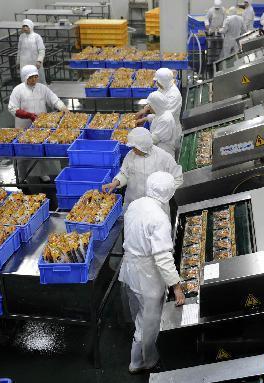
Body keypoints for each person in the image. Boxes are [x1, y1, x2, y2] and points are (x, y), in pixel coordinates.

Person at [119, 171, 186, 374]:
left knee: (138, 313)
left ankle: (141, 357)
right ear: (168, 194)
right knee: (148, 322)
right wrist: (176, 287)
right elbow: (163, 257)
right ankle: (143, 362)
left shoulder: (135, 204)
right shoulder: (159, 218)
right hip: (146, 275)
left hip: (130, 267)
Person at [8, 65, 69, 183]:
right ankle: (22, 176)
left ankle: (43, 173)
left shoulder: (42, 88)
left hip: (41, 125)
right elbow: (12, 108)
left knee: (41, 152)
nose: (34, 80)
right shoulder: (18, 90)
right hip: (23, 125)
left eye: (36, 77)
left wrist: (62, 107)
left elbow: (53, 99)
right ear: (25, 77)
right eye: (31, 78)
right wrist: (28, 115)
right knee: (23, 153)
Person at [101, 127, 183, 215]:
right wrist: (116, 183)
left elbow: (178, 178)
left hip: (157, 208)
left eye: (135, 147)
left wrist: (164, 191)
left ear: (143, 146)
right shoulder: (130, 156)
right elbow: (125, 174)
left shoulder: (164, 157)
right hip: (134, 203)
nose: (133, 150)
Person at [146, 91, 179, 157]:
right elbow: (156, 117)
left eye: (150, 106)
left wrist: (138, 140)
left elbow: (154, 139)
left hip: (164, 153)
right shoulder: (163, 111)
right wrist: (145, 119)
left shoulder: (165, 120)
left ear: (156, 106)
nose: (148, 108)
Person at [17, 19, 46, 83]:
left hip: (34, 62)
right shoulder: (21, 37)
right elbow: (19, 50)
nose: (25, 28)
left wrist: (39, 61)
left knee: (37, 80)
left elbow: (41, 50)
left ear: (30, 26)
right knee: (26, 79)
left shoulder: (37, 37)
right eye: (23, 26)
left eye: (26, 26)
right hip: (24, 63)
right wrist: (18, 62)